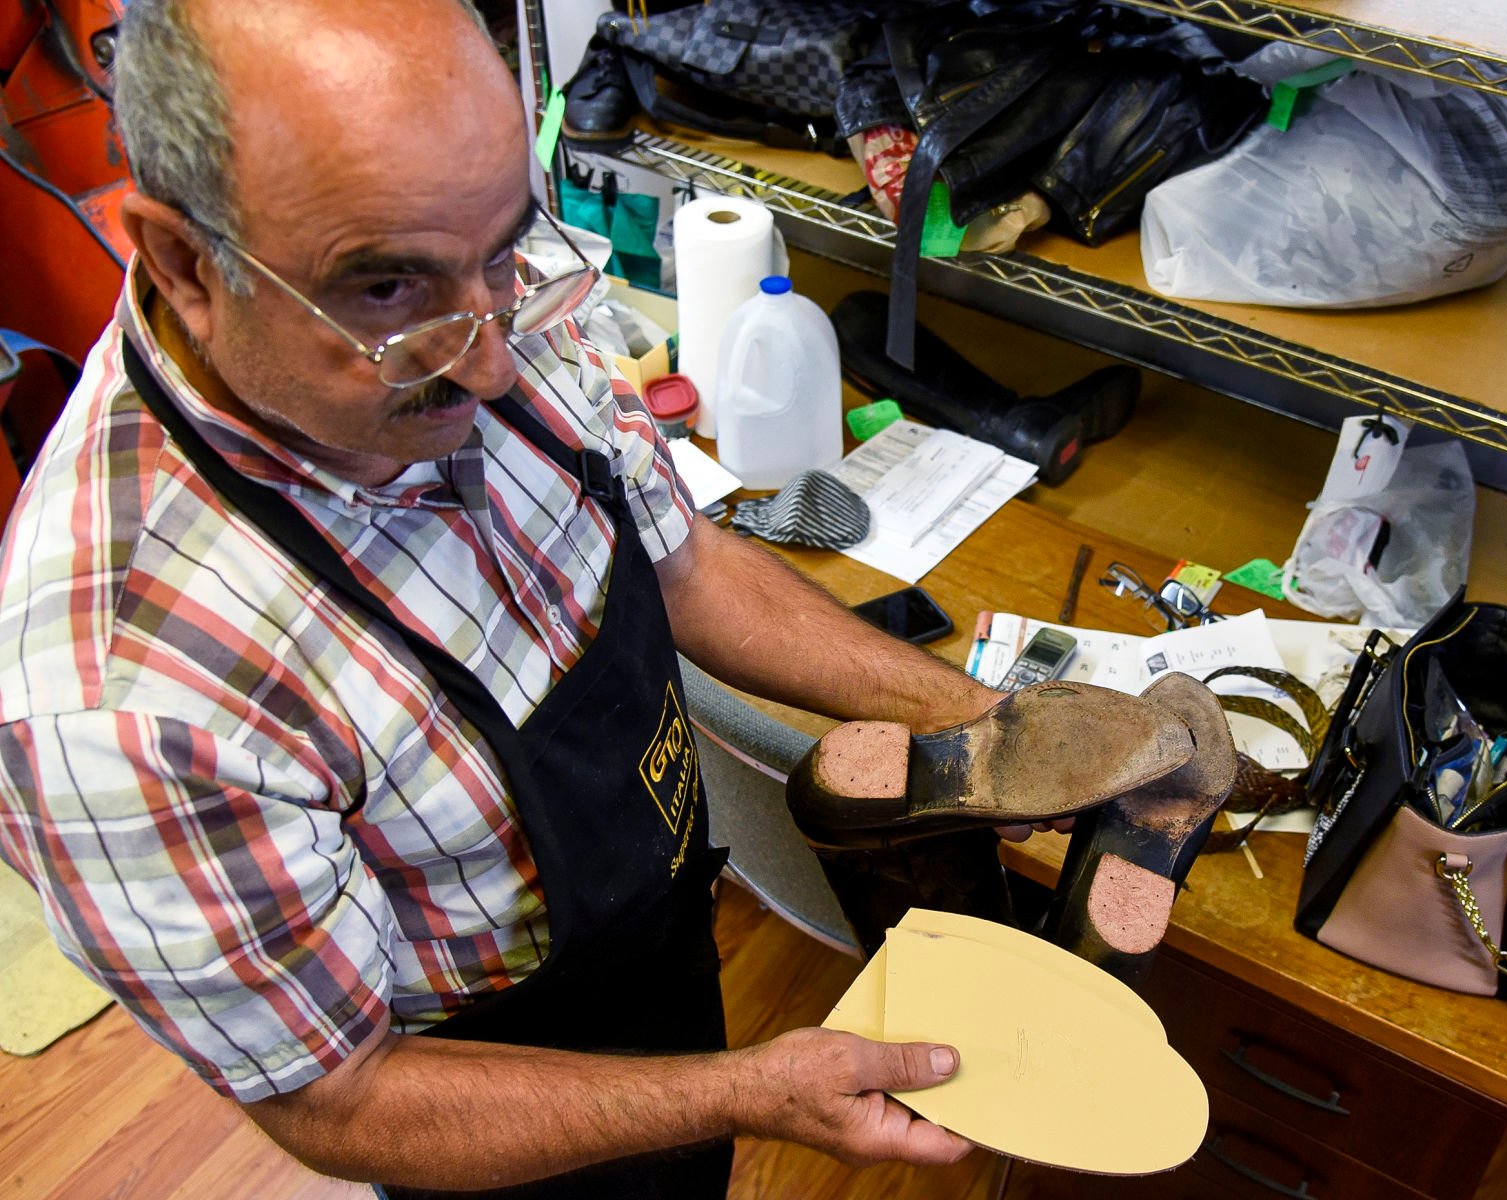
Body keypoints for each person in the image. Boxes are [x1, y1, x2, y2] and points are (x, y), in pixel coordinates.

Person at [0, 0, 1021, 1194]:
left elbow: (682, 562)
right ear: (184, 263)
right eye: (388, 292)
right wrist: (749, 1089)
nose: (491, 363)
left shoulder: (480, 273)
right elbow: (340, 1095)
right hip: (489, 1129)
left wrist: (984, 725)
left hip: (656, 949)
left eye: (503, 254)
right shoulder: (122, 701)